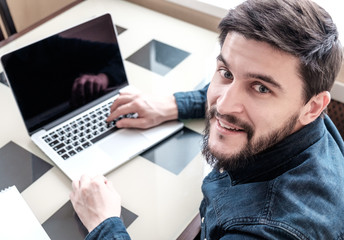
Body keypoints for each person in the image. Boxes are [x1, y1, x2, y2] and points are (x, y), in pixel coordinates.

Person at [70, 0, 344, 239]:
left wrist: (104, 224)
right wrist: (170, 105)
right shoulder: (302, 122)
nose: (223, 105)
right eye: (226, 72)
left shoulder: (266, 231)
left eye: (261, 88)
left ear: (313, 107)